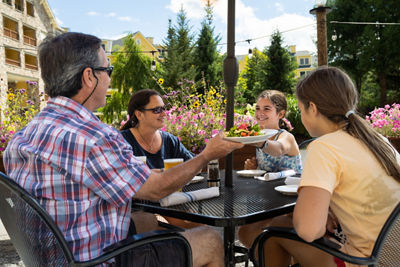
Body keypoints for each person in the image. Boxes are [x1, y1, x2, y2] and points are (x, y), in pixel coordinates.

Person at [3, 32, 244, 267]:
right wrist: (208, 154)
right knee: (211, 240)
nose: (109, 79)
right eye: (107, 71)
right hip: (98, 260)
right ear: (89, 76)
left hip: (52, 255)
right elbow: (156, 190)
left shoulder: (21, 138)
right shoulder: (94, 137)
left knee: (147, 219)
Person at [251, 67, 400, 267]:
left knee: (272, 233)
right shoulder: (377, 140)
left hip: (365, 261)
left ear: (312, 107)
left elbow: (308, 230)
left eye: (302, 109)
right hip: (392, 256)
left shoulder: (324, 147)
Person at [120, 89, 193, 170]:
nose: (164, 114)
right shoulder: (121, 141)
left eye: (163, 108)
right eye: (157, 110)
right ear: (139, 114)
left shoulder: (170, 141)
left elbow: (194, 165)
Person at [243, 90, 302, 173]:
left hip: (291, 184)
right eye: (257, 108)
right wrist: (252, 167)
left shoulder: (287, 137)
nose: (260, 113)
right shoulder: (260, 136)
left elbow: (279, 149)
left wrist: (260, 142)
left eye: (266, 109)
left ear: (281, 114)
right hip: (269, 185)